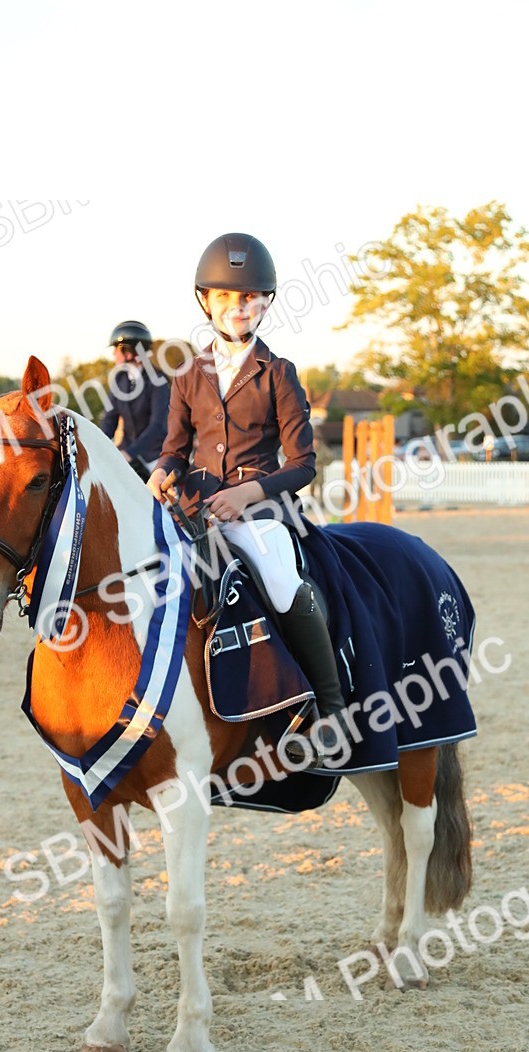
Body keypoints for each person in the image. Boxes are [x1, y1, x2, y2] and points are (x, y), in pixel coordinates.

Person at [147, 232, 348, 756]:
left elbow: (303, 464)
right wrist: (160, 474)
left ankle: (329, 708)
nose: (238, 307)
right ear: (205, 302)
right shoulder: (188, 373)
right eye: (226, 297)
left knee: (281, 578)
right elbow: (174, 449)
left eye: (248, 297)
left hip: (260, 513)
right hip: (195, 509)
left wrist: (249, 494)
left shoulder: (278, 372)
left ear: (263, 303)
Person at [100, 320, 170, 481]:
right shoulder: (119, 380)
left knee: (164, 498)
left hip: (153, 456)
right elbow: (109, 420)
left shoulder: (158, 380)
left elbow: (158, 425)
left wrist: (131, 453)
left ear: (129, 353)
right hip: (125, 453)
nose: (113, 355)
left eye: (116, 350)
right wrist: (97, 445)